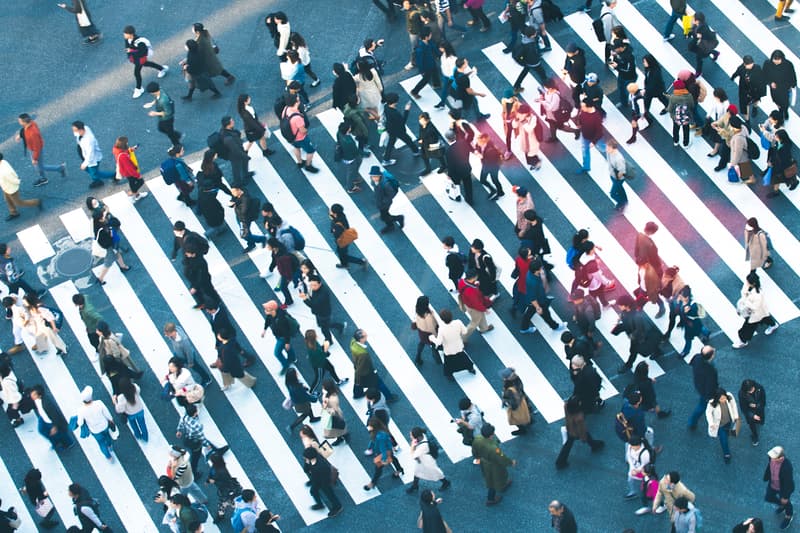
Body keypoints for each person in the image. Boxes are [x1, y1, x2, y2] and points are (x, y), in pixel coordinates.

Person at [555, 395, 604, 469]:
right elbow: (582, 430)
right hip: (576, 432)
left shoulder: (566, 406)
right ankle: (594, 445)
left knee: (568, 444)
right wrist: (583, 438)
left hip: (569, 427)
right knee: (572, 442)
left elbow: (567, 418)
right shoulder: (579, 417)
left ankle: (560, 461)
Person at [16, 114, 65, 186]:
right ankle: (43, 178)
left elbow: (37, 147)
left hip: (35, 150)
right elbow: (24, 131)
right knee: (38, 166)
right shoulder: (31, 123)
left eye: (19, 121)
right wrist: (20, 135)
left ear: (24, 122)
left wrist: (34, 158)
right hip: (32, 148)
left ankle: (59, 168)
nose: (18, 122)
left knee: (40, 167)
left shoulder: (33, 133)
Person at [472, 423, 515, 506]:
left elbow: (474, 451)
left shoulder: (477, 439)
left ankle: (502, 486)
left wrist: (477, 457)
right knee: (493, 481)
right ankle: (490, 499)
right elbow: (501, 457)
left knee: (491, 479)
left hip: (484, 463)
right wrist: (510, 462)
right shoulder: (493, 448)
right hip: (494, 466)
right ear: (492, 434)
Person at [734, 272, 779, 348]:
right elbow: (744, 291)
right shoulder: (751, 286)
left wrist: (746, 300)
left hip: (755, 313)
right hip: (760, 311)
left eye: (748, 282)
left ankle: (743, 341)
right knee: (764, 317)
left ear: (753, 283)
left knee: (747, 328)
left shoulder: (758, 294)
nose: (746, 283)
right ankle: (773, 325)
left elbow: (755, 307)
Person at [429, 308, 475, 381]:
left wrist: (431, 338)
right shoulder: (458, 322)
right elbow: (465, 332)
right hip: (459, 347)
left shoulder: (441, 329)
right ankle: (470, 369)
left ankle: (450, 375)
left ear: (442, 319)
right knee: (464, 359)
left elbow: (439, 342)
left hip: (449, 351)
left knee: (449, 366)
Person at [350, 328, 395, 400]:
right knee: (379, 383)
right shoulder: (363, 354)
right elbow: (361, 370)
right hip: (367, 372)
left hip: (357, 365)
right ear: (361, 339)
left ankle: (357, 394)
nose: (367, 336)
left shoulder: (353, 342)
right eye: (365, 336)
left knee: (358, 381)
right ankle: (389, 397)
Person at [521, 258, 563, 334]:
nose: (542, 268)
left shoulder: (533, 274)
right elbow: (532, 297)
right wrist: (538, 307)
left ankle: (524, 328)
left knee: (529, 313)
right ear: (536, 270)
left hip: (540, 297)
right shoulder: (532, 282)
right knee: (546, 315)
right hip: (539, 301)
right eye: (541, 268)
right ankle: (555, 326)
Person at [124, 25, 167, 98]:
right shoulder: (127, 39)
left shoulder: (140, 42)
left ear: (130, 34)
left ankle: (139, 88)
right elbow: (127, 46)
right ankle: (162, 69)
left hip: (140, 58)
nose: (124, 35)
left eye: (125, 33)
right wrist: (129, 53)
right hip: (136, 58)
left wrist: (131, 51)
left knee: (137, 73)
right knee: (147, 64)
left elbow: (143, 52)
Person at [75, 386, 116, 462]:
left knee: (101, 443)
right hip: (104, 425)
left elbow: (80, 423)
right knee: (107, 436)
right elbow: (107, 413)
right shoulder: (99, 403)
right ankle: (110, 446)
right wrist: (111, 420)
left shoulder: (81, 410)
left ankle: (109, 457)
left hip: (95, 430)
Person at [363, 416, 405, 491]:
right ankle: (399, 469)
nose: (368, 427)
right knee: (393, 459)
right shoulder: (377, 432)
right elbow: (373, 441)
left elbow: (383, 449)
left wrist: (384, 458)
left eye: (370, 425)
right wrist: (370, 447)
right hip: (384, 451)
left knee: (378, 468)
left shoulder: (380, 436)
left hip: (384, 452)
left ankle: (373, 482)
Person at [299, 277, 344, 345]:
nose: (312, 287)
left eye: (314, 285)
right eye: (311, 285)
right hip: (319, 312)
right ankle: (339, 326)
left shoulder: (323, 294)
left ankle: (329, 340)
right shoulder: (316, 289)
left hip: (323, 313)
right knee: (324, 324)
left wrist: (305, 299)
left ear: (320, 284)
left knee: (325, 329)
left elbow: (314, 305)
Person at [281, 93, 319, 174]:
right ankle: (308, 166)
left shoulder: (286, 109)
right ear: (296, 102)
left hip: (291, 136)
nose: (299, 101)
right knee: (310, 151)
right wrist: (306, 130)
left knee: (296, 147)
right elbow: (303, 130)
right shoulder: (297, 118)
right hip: (300, 138)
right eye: (298, 100)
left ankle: (300, 162)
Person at [28, 385, 73, 450]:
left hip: (51, 421)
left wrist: (54, 426)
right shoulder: (36, 399)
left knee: (60, 433)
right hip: (43, 417)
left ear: (39, 395)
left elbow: (55, 415)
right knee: (42, 430)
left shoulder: (47, 403)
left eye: (34, 394)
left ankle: (68, 443)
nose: (32, 395)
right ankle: (56, 442)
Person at [406, 427, 450, 493]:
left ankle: (445, 482)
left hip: (427, 461)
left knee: (436, 472)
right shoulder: (422, 436)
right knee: (417, 471)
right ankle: (415, 485)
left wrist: (412, 446)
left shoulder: (423, 446)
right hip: (423, 458)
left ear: (417, 437)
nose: (410, 436)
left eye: (411, 435)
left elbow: (413, 455)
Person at [302, 447, 343, 517]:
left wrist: (322, 485)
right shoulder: (314, 458)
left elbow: (325, 478)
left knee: (329, 494)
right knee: (313, 491)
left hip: (324, 481)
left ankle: (338, 507)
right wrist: (307, 462)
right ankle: (320, 504)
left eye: (305, 457)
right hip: (317, 478)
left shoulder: (321, 466)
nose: (304, 458)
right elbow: (306, 470)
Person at [262, 300, 299, 374]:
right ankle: (292, 358)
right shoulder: (271, 314)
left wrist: (287, 342)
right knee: (287, 348)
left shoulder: (281, 319)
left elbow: (286, 332)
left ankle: (285, 365)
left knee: (277, 353)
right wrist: (264, 329)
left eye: (267, 309)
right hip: (279, 336)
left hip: (282, 338)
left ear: (273, 310)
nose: (265, 310)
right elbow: (268, 320)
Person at [687, 345, 719, 431]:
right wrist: (709, 397)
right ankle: (692, 422)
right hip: (706, 391)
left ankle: (692, 422)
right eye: (713, 350)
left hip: (698, 384)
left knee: (702, 404)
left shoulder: (697, 357)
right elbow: (710, 385)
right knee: (702, 406)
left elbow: (691, 363)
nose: (714, 349)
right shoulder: (711, 371)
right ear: (711, 356)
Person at [458, 270, 495, 340]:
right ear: (473, 278)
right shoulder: (471, 291)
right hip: (473, 308)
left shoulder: (462, 281)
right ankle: (463, 338)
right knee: (474, 323)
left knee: (481, 316)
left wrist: (476, 285)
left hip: (468, 304)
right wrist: (485, 309)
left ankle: (484, 328)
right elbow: (476, 303)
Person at [706, 387, 739, 464]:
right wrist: (711, 423)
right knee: (724, 441)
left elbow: (734, 405)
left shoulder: (729, 395)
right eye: (721, 399)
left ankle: (727, 433)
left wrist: (736, 415)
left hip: (729, 421)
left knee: (727, 432)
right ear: (717, 398)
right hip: (720, 426)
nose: (724, 400)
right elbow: (708, 413)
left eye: (724, 398)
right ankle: (726, 454)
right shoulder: (712, 403)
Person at [206, 453, 243, 523]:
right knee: (233, 503)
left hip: (227, 491)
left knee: (225, 504)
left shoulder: (219, 471)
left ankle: (221, 516)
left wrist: (213, 481)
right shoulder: (222, 467)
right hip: (233, 488)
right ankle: (222, 515)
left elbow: (223, 482)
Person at [764, 446, 795, 530]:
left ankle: (789, 515)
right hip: (772, 483)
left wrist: (785, 497)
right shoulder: (771, 458)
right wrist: (766, 476)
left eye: (774, 457)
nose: (771, 458)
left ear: (780, 458)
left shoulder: (787, 467)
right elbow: (769, 466)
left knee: (785, 501)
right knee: (768, 498)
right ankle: (783, 505)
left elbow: (788, 483)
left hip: (782, 488)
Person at [143, 82, 182, 148]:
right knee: (161, 128)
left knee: (170, 133)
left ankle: (177, 145)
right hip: (163, 118)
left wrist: (155, 113)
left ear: (153, 92)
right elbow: (157, 98)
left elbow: (168, 112)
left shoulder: (164, 100)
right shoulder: (160, 91)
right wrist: (152, 103)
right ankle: (176, 135)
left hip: (167, 119)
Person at [762, 50, 797, 121]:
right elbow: (764, 75)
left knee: (786, 102)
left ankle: (785, 111)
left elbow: (792, 75)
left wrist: (793, 84)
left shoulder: (788, 65)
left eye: (778, 60)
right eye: (775, 59)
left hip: (785, 88)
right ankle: (781, 111)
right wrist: (770, 82)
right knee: (776, 101)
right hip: (774, 89)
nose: (776, 61)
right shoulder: (767, 64)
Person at [731, 55, 766, 124]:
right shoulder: (741, 69)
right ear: (744, 64)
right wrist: (733, 77)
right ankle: (747, 120)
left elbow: (761, 78)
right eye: (748, 65)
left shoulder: (757, 68)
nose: (750, 66)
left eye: (751, 64)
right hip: (744, 90)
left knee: (756, 99)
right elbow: (736, 73)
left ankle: (755, 107)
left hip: (755, 89)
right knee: (745, 105)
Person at [452, 57, 490, 121]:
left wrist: (471, 72)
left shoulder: (456, 70)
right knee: (470, 105)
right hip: (465, 94)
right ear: (463, 65)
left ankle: (474, 116)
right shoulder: (464, 79)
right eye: (466, 62)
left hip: (459, 91)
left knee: (470, 104)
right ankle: (476, 117)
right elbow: (469, 91)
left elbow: (462, 77)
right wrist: (480, 94)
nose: (467, 62)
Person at [329, 204, 366, 268]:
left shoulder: (337, 224)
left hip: (342, 240)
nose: (329, 211)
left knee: (343, 255)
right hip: (345, 238)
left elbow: (336, 233)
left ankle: (361, 262)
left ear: (335, 213)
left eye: (331, 210)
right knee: (341, 253)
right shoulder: (342, 216)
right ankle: (344, 264)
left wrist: (333, 223)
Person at [370, 166, 405, 234]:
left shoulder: (385, 184)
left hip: (385, 203)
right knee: (385, 215)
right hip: (380, 200)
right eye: (373, 176)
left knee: (383, 217)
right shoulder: (374, 180)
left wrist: (383, 201)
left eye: (376, 176)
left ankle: (398, 218)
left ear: (379, 175)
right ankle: (391, 225)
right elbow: (374, 185)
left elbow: (391, 194)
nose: (374, 178)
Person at [113, 137, 147, 202]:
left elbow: (124, 151)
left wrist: (131, 149)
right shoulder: (123, 156)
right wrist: (138, 175)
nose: (127, 143)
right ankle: (132, 193)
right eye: (126, 143)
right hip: (128, 172)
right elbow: (130, 169)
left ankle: (136, 194)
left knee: (132, 182)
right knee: (141, 181)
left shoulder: (116, 149)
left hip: (125, 172)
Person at [285, 367, 320, 432]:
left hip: (297, 400)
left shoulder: (288, 383)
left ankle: (312, 418)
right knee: (305, 414)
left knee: (308, 408)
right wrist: (315, 398)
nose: (297, 373)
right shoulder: (297, 387)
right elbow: (306, 396)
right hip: (301, 402)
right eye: (296, 373)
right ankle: (291, 427)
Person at [767, 129, 799, 197]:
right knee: (790, 175)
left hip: (782, 166)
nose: (774, 138)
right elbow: (772, 150)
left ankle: (776, 192)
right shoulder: (778, 143)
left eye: (776, 137)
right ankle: (794, 182)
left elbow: (782, 159)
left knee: (777, 178)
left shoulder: (785, 148)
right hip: (781, 165)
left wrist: (772, 163)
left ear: (781, 138)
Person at [114, 378, 147, 442]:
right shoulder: (135, 388)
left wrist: (115, 402)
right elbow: (139, 390)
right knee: (143, 424)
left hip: (130, 414)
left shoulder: (122, 397)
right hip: (140, 410)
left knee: (134, 425)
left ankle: (138, 435)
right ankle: (145, 437)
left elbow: (119, 409)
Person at [576, 99, 605, 174]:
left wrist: (593, 142)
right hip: (585, 135)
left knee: (603, 148)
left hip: (594, 137)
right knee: (585, 151)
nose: (581, 108)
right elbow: (580, 119)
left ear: (589, 107)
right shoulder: (583, 111)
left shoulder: (596, 117)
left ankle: (614, 155)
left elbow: (599, 131)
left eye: (583, 107)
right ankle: (586, 167)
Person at [219, 117, 251, 185]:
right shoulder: (228, 139)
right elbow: (236, 151)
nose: (233, 121)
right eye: (232, 121)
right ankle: (238, 182)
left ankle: (246, 174)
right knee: (236, 168)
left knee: (244, 162)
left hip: (237, 150)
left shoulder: (226, 130)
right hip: (234, 155)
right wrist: (245, 156)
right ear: (228, 125)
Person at [412, 296, 442, 366]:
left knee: (422, 342)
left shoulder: (417, 309)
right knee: (434, 346)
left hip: (422, 332)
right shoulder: (428, 316)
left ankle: (418, 357)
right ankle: (438, 360)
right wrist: (436, 337)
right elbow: (432, 328)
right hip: (429, 334)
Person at [513, 104, 543, 171]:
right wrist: (515, 120)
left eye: (522, 113)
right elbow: (514, 126)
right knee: (527, 154)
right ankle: (534, 162)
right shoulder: (520, 116)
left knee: (531, 155)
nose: (520, 114)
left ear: (526, 113)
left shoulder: (533, 118)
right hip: (524, 140)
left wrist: (523, 122)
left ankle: (537, 163)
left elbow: (529, 129)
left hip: (532, 141)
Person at [739, 379, 766, 447]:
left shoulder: (759, 388)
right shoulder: (741, 394)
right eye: (749, 391)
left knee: (760, 421)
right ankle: (755, 436)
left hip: (759, 409)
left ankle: (759, 422)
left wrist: (756, 406)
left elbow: (763, 400)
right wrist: (752, 415)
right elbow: (743, 408)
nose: (751, 391)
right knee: (752, 424)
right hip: (750, 411)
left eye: (752, 389)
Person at [320, 379, 348, 445]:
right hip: (330, 415)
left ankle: (345, 436)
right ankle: (340, 437)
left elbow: (336, 410)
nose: (322, 388)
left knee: (338, 427)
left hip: (334, 416)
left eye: (323, 387)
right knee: (335, 428)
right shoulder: (326, 395)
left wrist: (340, 417)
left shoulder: (333, 398)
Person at [418, 113, 446, 177]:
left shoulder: (431, 129)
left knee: (438, 155)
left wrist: (423, 140)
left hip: (431, 145)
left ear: (427, 120)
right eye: (420, 120)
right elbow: (421, 133)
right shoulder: (422, 125)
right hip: (424, 145)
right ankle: (428, 168)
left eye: (422, 121)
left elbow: (433, 140)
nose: (420, 122)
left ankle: (443, 165)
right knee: (424, 156)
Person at [668, 80, 694, 148]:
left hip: (676, 117)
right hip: (686, 116)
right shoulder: (689, 96)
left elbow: (670, 109)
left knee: (676, 129)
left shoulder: (673, 97)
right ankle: (686, 144)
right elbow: (692, 105)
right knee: (686, 130)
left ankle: (676, 141)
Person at [606, 139, 628, 211]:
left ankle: (621, 203)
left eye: (608, 148)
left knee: (613, 193)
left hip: (618, 178)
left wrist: (617, 179)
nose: (606, 149)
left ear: (613, 148)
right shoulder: (609, 153)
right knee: (620, 188)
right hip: (613, 175)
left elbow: (622, 171)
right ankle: (625, 200)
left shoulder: (619, 159)